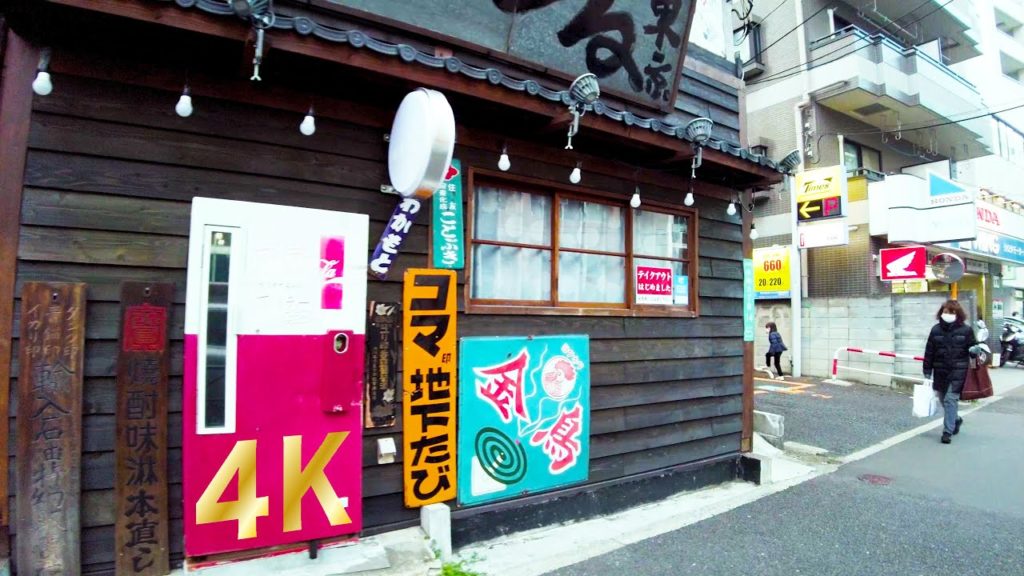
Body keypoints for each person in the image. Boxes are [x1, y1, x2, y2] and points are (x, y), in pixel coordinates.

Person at [923, 300, 976, 444]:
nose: (948, 314)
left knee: (950, 399)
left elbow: (973, 348)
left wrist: (974, 351)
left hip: (958, 371)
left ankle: (947, 431)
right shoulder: (935, 330)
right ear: (941, 312)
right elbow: (929, 352)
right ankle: (956, 420)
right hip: (940, 371)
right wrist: (927, 371)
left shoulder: (966, 330)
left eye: (952, 312)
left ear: (958, 314)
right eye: (946, 311)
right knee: (943, 399)